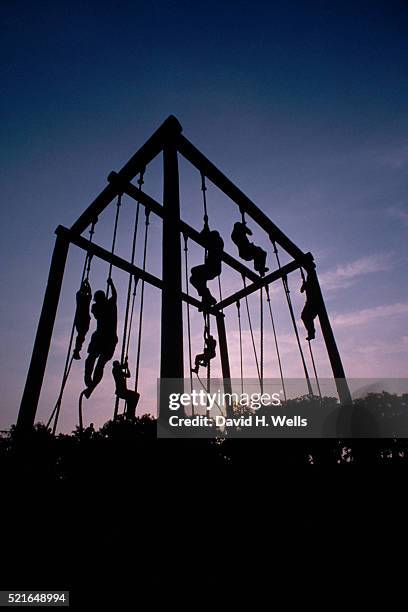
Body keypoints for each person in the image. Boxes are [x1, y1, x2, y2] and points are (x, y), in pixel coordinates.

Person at [83, 278, 118, 397]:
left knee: (99, 363)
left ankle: (91, 385)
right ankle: (89, 382)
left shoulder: (107, 305)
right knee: (92, 360)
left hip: (106, 338)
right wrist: (111, 284)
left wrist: (112, 284)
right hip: (103, 338)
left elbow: (114, 295)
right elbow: (114, 296)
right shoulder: (105, 305)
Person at [190, 225, 224, 308]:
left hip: (212, 268)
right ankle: (206, 297)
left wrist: (205, 230)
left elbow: (202, 237)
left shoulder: (216, 241)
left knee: (194, 272)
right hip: (212, 268)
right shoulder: (217, 241)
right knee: (196, 278)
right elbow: (205, 238)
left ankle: (207, 296)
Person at [72, 279, 92, 360]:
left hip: (82, 319)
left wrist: (85, 284)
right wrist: (87, 284)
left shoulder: (80, 297)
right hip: (83, 320)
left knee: (81, 336)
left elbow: (88, 292)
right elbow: (90, 293)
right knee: (81, 336)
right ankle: (77, 350)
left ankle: (77, 350)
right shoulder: (84, 298)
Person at [300, 272, 320, 341]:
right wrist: (304, 284)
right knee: (306, 317)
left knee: (306, 317)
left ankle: (311, 333)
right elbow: (302, 290)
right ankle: (311, 333)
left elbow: (302, 290)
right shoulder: (308, 284)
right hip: (310, 303)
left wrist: (304, 284)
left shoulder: (312, 284)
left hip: (312, 303)